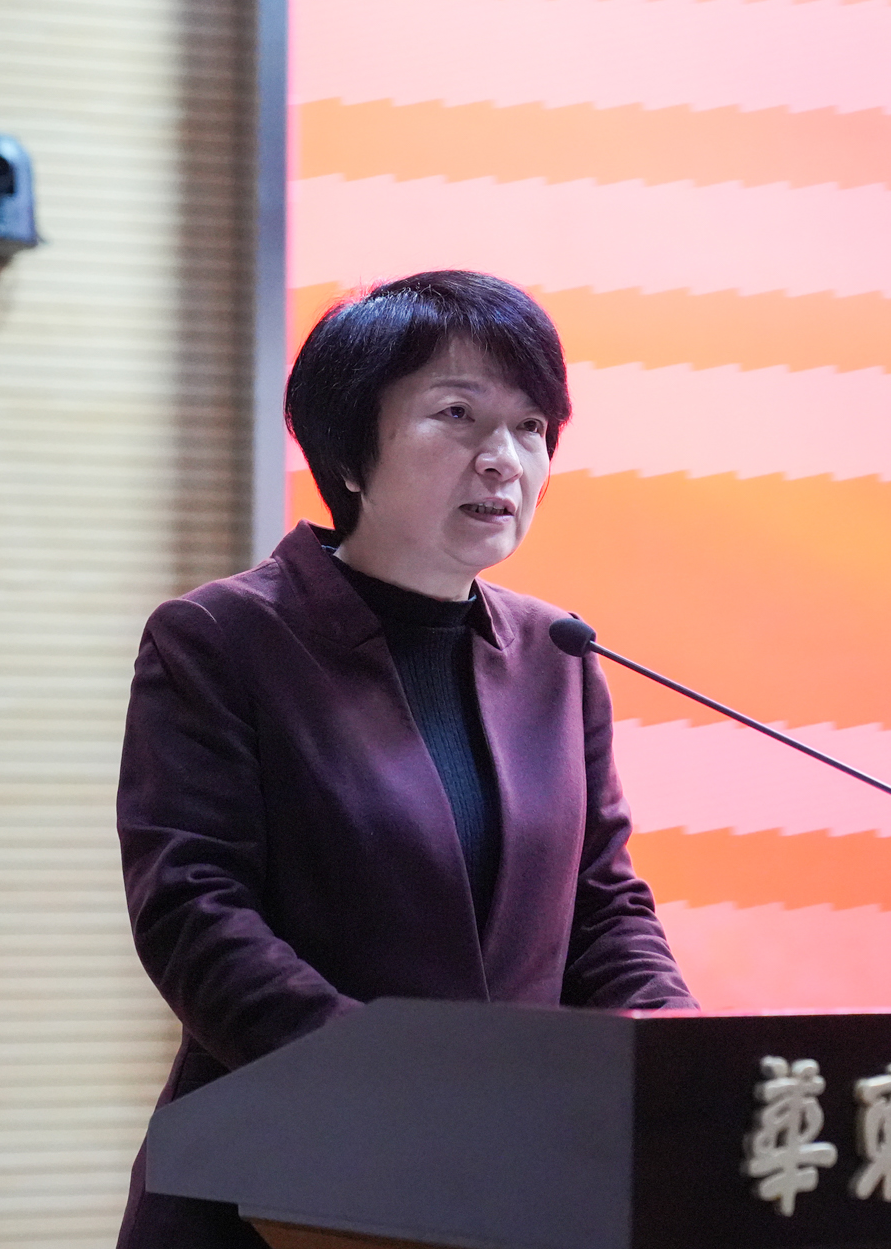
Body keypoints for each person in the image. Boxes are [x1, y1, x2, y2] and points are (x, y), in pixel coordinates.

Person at [114, 270, 696, 1249]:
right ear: (350, 450)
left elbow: (603, 909)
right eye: (457, 415)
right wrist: (392, 1084)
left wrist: (680, 1058)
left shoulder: (556, 655)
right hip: (278, 1184)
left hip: (509, 1186)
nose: (503, 458)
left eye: (529, 427)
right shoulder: (222, 638)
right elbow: (194, 913)